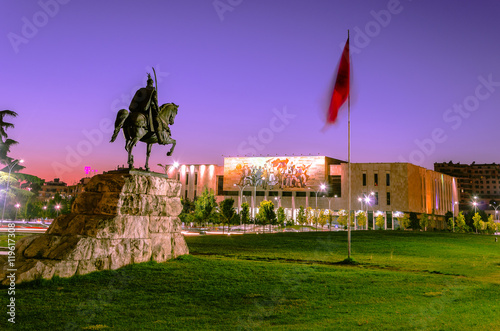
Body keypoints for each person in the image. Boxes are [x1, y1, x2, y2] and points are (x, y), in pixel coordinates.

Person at [129, 74, 166, 144]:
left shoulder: (141, 90)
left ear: (147, 83)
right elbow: (155, 101)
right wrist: (157, 108)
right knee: (157, 120)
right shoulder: (152, 91)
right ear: (151, 83)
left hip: (138, 109)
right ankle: (160, 138)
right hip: (149, 109)